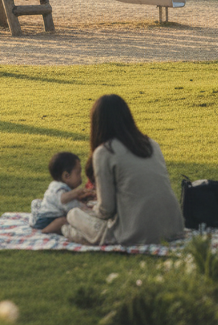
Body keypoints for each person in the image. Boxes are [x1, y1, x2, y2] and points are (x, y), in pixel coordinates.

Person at [62, 94, 185, 246]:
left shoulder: (104, 152)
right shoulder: (152, 144)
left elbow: (106, 209)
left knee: (73, 214)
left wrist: (94, 209)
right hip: (173, 228)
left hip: (136, 232)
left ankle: (71, 233)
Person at [29, 152, 93, 235]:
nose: (81, 177)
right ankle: (46, 230)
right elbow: (69, 204)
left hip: (43, 216)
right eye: (78, 173)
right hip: (45, 220)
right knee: (65, 221)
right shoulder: (61, 191)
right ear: (66, 176)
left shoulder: (56, 185)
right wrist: (86, 208)